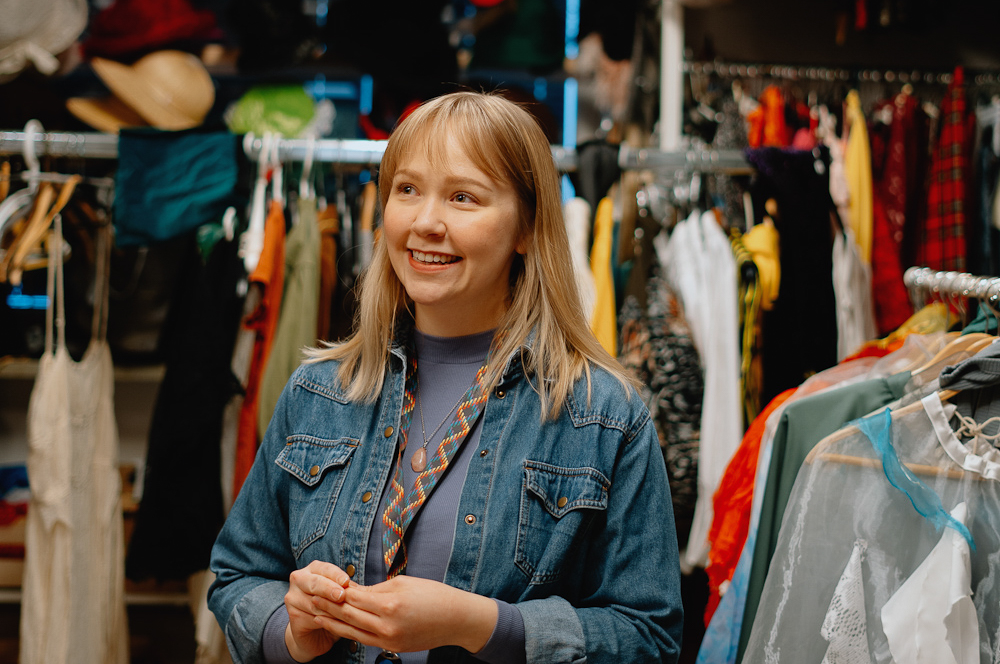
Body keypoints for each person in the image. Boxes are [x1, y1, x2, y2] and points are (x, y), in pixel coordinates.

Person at [207, 90, 684, 664]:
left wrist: (480, 625)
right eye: (407, 190)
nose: (425, 222)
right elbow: (238, 575)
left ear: (527, 229)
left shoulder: (603, 415)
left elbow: (649, 637)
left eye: (463, 197)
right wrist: (289, 631)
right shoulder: (319, 392)